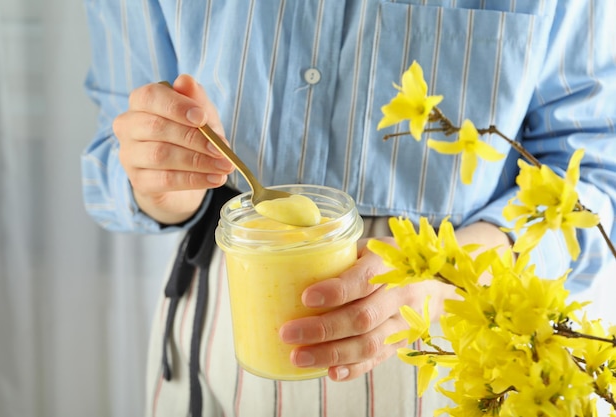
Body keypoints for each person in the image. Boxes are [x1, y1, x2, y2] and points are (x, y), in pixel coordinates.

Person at [81, 1, 616, 416]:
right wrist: (161, 179)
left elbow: (596, 173)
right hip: (219, 338)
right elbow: (115, 143)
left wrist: (450, 276)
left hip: (460, 345)